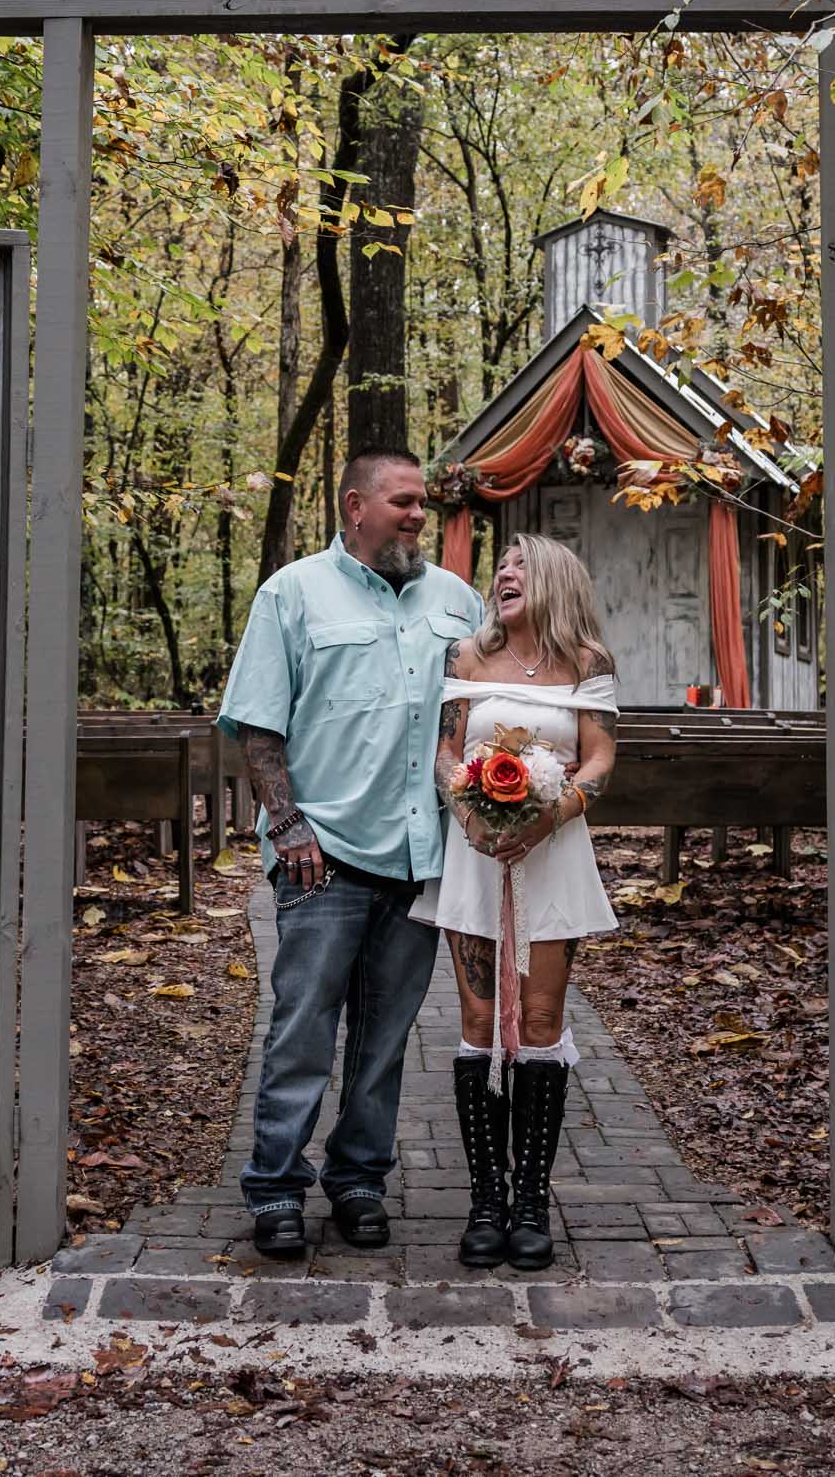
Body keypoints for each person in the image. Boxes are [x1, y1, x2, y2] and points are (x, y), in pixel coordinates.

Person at [215, 448, 484, 1258]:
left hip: (418, 855)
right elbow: (259, 721)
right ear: (354, 505)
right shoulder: (292, 592)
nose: (416, 515)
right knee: (302, 1029)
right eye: (401, 502)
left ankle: (360, 1178)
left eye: (422, 504)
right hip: (321, 854)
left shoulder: (457, 601)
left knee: (385, 1036)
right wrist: (287, 823)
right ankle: (275, 1187)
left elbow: (482, 711)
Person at [410, 534, 620, 1270]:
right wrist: (467, 812)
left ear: (555, 579)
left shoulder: (587, 662)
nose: (504, 573)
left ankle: (531, 1198)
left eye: (521, 565)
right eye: (500, 566)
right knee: (476, 1018)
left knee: (537, 1020)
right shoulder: (465, 657)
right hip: (473, 855)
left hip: (554, 851)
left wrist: (548, 813)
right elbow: (446, 750)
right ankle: (485, 1202)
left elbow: (599, 759)